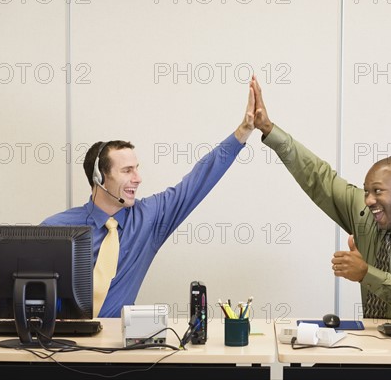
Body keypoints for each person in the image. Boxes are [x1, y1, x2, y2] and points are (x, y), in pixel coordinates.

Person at [41, 83, 257, 318]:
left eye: (137, 169)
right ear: (100, 178)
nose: (138, 178)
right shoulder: (56, 229)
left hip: (117, 348)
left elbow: (198, 181)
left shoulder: (149, 219)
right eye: (127, 171)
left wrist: (244, 130)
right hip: (63, 345)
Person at [250, 76, 391, 319]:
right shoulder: (365, 215)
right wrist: (269, 130)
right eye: (366, 191)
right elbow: (318, 177)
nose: (368, 200)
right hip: (370, 347)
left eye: (377, 191)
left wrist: (367, 274)